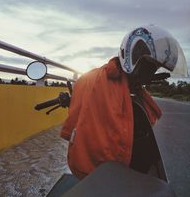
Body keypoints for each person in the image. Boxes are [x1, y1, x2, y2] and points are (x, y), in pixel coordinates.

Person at [60, 25, 185, 179]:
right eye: (149, 66)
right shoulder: (100, 82)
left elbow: (71, 127)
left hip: (88, 169)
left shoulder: (89, 79)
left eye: (154, 68)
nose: (150, 73)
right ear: (133, 55)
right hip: (103, 174)